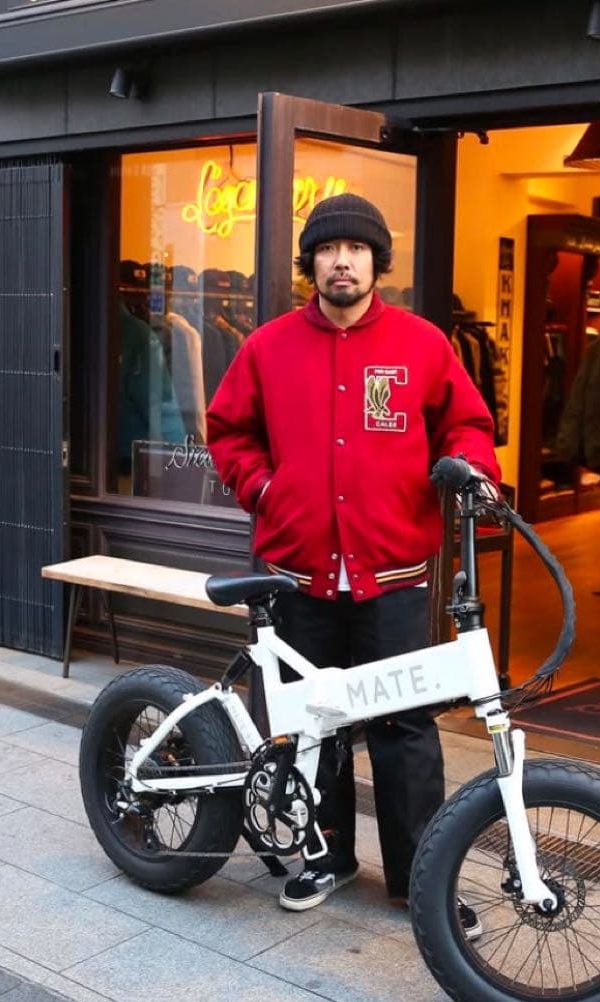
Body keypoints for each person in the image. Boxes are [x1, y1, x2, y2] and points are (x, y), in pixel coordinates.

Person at [206, 193, 500, 929]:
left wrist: (470, 469)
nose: (343, 262)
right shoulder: (267, 347)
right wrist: (265, 490)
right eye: (329, 250)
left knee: (406, 730)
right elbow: (229, 431)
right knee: (315, 727)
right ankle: (327, 857)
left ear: (378, 262)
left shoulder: (423, 345)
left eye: (358, 249)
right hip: (298, 576)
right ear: (311, 263)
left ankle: (419, 879)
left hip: (394, 576)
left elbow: (466, 424)